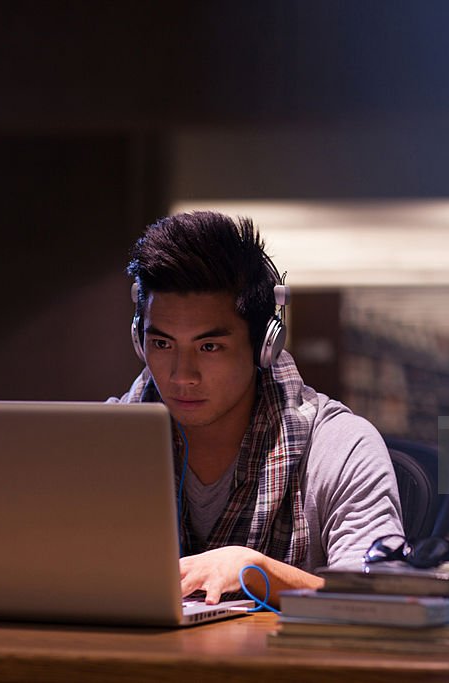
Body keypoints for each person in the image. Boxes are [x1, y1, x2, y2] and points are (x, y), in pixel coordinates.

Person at [111, 211, 403, 606]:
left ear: (266, 345)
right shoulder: (106, 441)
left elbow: (380, 602)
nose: (182, 375)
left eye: (209, 347)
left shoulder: (340, 447)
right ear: (138, 338)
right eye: (162, 344)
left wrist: (258, 571)